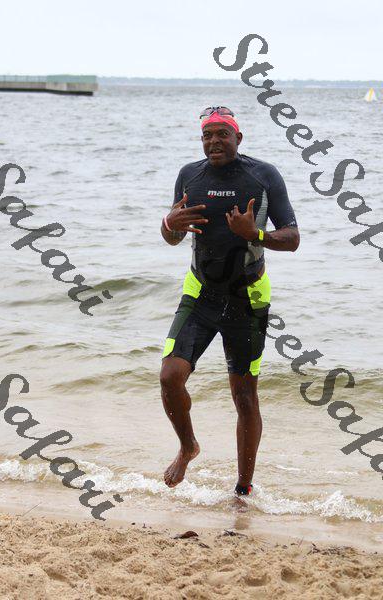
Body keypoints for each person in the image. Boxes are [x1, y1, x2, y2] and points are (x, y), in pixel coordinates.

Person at [159, 106, 300, 496]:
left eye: (222, 134)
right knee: (170, 377)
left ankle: (243, 488)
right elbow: (173, 235)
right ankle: (188, 447)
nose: (214, 142)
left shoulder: (264, 176)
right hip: (200, 293)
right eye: (207, 135)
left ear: (239, 138)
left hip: (247, 298)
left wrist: (255, 234)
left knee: (245, 397)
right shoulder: (189, 175)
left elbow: (292, 238)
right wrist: (169, 224)